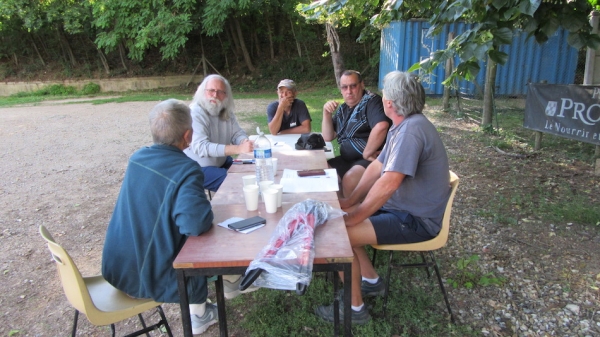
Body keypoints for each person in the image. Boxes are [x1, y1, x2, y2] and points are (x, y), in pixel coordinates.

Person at [102, 99, 256, 335]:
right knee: (214, 237)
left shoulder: (137, 158)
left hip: (117, 267)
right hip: (148, 277)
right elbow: (195, 224)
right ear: (188, 135)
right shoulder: (186, 169)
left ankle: (226, 284)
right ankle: (202, 311)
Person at [315, 71, 451, 324]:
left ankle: (354, 310)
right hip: (403, 210)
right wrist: (351, 201)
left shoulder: (411, 131)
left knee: (338, 234)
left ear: (389, 103)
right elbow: (378, 166)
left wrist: (355, 215)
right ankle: (372, 281)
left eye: (385, 95)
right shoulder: (405, 125)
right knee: (342, 220)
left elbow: (388, 183)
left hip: (415, 220)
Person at [321, 70, 391, 197]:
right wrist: (326, 113)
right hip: (346, 159)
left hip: (369, 159)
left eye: (353, 86)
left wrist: (367, 152)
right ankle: (339, 207)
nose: (349, 91)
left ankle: (352, 212)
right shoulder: (343, 109)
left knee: (349, 179)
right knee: (322, 170)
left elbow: (381, 126)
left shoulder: (371, 101)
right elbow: (328, 136)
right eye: (345, 87)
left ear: (362, 85)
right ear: (341, 89)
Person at [184, 74, 254, 192]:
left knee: (250, 170)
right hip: (198, 167)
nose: (215, 95)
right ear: (202, 91)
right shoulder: (195, 112)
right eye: (211, 90)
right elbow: (200, 147)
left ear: (226, 95)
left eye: (220, 92)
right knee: (235, 183)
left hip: (220, 161)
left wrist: (243, 140)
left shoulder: (225, 111)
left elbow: (236, 133)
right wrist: (238, 149)